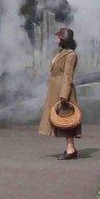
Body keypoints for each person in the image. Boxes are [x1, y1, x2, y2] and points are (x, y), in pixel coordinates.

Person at [38, 27, 80, 160]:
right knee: (62, 120)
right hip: (56, 89)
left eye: (59, 38)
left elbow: (68, 75)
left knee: (67, 120)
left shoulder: (71, 55)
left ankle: (71, 149)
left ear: (63, 39)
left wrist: (64, 95)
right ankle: (70, 148)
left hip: (63, 90)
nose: (57, 40)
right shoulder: (62, 52)